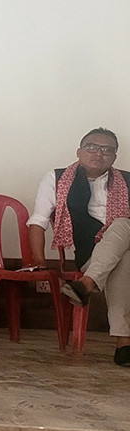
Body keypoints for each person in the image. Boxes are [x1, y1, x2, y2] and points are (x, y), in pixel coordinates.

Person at [27, 128, 130, 366]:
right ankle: (123, 343)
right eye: (92, 147)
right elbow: (38, 221)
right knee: (124, 251)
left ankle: (86, 285)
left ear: (114, 157)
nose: (99, 153)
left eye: (107, 150)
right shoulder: (57, 178)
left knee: (123, 230)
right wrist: (39, 263)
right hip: (90, 255)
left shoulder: (127, 181)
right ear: (79, 151)